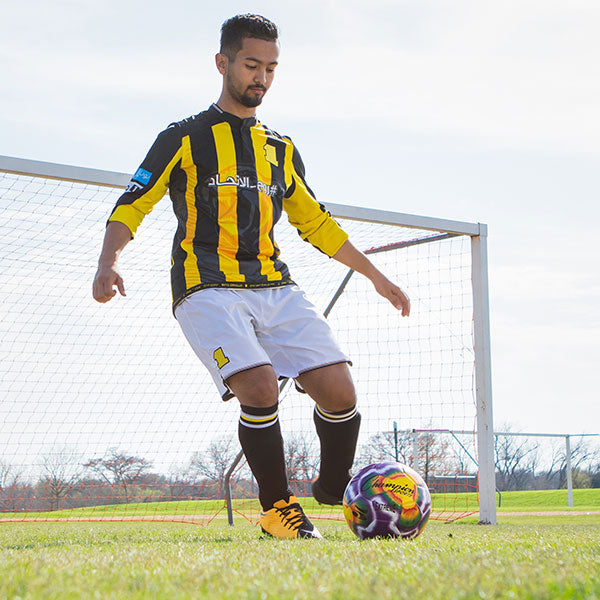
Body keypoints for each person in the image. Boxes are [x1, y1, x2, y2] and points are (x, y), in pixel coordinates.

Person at [92, 14, 410, 539]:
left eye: (270, 68)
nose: (260, 77)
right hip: (206, 286)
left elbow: (317, 224)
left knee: (339, 391)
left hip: (274, 285)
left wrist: (375, 275)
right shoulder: (182, 138)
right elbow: (133, 203)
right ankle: (277, 509)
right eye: (251, 65)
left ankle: (334, 490)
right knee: (259, 386)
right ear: (223, 63)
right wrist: (108, 261)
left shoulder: (280, 149)